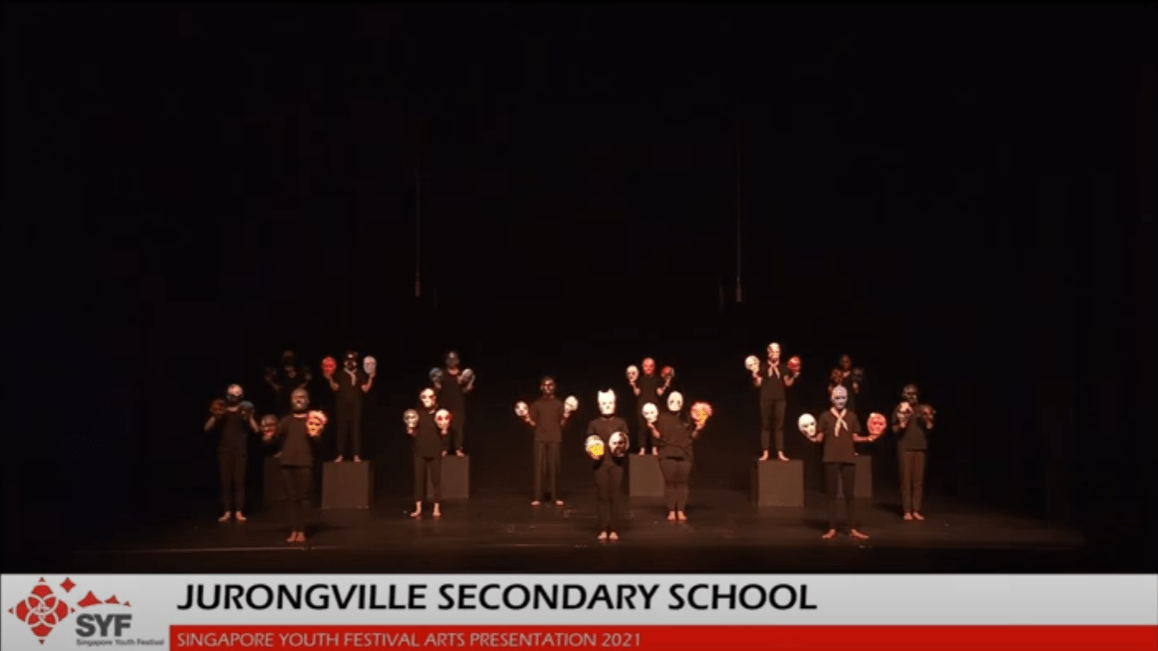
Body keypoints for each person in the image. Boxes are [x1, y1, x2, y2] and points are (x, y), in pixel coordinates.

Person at [807, 385, 877, 540]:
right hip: (831, 458)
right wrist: (811, 437)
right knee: (831, 494)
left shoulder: (851, 416)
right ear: (832, 398)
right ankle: (832, 527)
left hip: (848, 458)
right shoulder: (825, 416)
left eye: (843, 398)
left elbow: (855, 437)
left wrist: (869, 438)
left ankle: (852, 528)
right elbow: (820, 438)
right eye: (837, 398)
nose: (841, 401)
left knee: (849, 494)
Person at [262, 388, 322, 543]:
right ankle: (294, 530)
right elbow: (274, 436)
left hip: (304, 462)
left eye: (302, 397)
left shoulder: (312, 419)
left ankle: (301, 530)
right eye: (295, 397)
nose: (298, 400)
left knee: (304, 498)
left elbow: (318, 440)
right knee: (291, 498)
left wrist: (316, 435)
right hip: (287, 463)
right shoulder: (286, 420)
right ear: (291, 400)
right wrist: (268, 437)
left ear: (307, 400)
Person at [204, 384, 258, 522]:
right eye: (231, 394)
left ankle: (239, 511)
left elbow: (256, 429)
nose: (233, 396)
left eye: (236, 393)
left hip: (240, 450)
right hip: (225, 450)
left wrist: (250, 416)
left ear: (241, 395)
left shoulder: (244, 410)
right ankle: (227, 511)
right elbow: (207, 428)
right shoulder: (222, 410)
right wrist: (215, 416)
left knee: (239, 482)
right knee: (226, 482)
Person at [648, 391, 703, 522]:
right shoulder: (661, 417)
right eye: (672, 401)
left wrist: (698, 429)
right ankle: (672, 510)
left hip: (685, 454)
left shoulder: (687, 417)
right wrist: (652, 428)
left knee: (682, 483)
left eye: (678, 401)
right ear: (668, 402)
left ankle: (681, 510)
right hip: (667, 453)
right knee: (670, 483)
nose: (675, 404)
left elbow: (693, 437)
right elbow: (658, 436)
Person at [520, 377, 572, 506]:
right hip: (540, 438)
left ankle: (556, 496)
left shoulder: (559, 404)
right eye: (545, 385)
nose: (548, 387)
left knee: (554, 467)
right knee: (539, 468)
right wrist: (526, 418)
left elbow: (562, 423)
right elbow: (533, 423)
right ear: (541, 387)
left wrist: (566, 416)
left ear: (554, 387)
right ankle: (538, 497)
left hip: (555, 437)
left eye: (550, 385)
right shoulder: (536, 404)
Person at [586, 390, 630, 541]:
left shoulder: (621, 423)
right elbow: (590, 442)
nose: (607, 406)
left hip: (616, 465)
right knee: (602, 496)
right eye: (604, 403)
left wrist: (621, 450)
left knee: (615, 497)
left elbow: (625, 442)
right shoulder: (594, 424)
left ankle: (614, 528)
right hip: (600, 465)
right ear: (599, 405)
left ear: (615, 404)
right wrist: (592, 453)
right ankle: (603, 528)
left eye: (610, 403)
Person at [893, 383, 935, 521]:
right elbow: (894, 429)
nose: (911, 396)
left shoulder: (922, 409)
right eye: (909, 394)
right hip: (905, 447)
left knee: (918, 481)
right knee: (906, 480)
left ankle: (916, 509)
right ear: (904, 395)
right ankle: (907, 510)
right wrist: (901, 424)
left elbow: (930, 427)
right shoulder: (900, 408)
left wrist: (928, 420)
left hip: (920, 447)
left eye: (914, 394)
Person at [753, 342, 800, 462]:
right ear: (768, 353)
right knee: (766, 425)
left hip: (780, 399)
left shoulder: (783, 367)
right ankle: (765, 452)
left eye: (777, 352)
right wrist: (755, 377)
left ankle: (780, 452)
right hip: (765, 398)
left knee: (779, 426)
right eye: (773, 352)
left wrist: (794, 376)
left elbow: (787, 383)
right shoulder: (763, 367)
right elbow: (758, 384)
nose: (775, 354)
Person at [326, 350, 375, 462]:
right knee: (341, 429)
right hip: (341, 405)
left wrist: (371, 378)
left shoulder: (359, 374)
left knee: (355, 429)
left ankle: (356, 455)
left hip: (356, 405)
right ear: (344, 361)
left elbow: (365, 389)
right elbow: (335, 388)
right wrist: (330, 379)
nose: (350, 362)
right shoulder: (340, 374)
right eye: (348, 360)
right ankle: (340, 454)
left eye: (352, 360)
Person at [407, 388, 448, 518]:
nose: (427, 399)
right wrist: (411, 432)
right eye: (424, 397)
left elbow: (444, 434)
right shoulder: (417, 414)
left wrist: (445, 437)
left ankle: (436, 507)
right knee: (419, 479)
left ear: (435, 398)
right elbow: (416, 433)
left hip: (435, 449)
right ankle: (418, 507)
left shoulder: (440, 414)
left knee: (436, 480)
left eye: (430, 396)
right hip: (420, 450)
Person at [433, 351, 474, 456]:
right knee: (444, 428)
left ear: (458, 361)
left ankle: (458, 449)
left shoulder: (462, 375)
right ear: (446, 361)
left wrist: (468, 387)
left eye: (454, 359)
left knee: (458, 429)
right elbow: (438, 389)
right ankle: (444, 448)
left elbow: (465, 391)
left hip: (458, 406)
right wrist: (436, 386)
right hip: (444, 406)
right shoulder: (442, 374)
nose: (452, 362)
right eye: (449, 359)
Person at [630, 358, 669, 455]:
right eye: (646, 366)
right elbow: (637, 393)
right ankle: (642, 448)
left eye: (651, 366)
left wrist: (666, 385)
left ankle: (654, 448)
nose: (648, 368)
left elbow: (660, 393)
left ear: (654, 367)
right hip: (642, 406)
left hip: (654, 406)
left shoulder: (657, 379)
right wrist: (633, 384)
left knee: (654, 427)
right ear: (643, 367)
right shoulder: (640, 379)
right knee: (642, 427)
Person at [265, 351, 311, 416]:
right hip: (282, 399)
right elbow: (268, 378)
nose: (288, 359)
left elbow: (308, 379)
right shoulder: (277, 370)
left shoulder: (301, 369)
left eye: (290, 357)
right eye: (286, 357)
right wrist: (274, 386)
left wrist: (300, 388)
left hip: (297, 396)